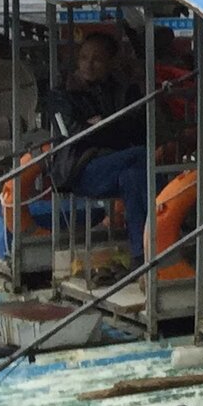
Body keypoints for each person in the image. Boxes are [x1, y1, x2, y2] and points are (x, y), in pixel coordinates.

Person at [53, 31, 151, 259]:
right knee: (141, 156)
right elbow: (72, 134)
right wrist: (102, 128)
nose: (89, 64)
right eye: (84, 57)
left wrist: (99, 126)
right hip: (80, 168)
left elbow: (134, 129)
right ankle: (164, 232)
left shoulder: (119, 90)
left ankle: (141, 255)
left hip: (116, 165)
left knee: (133, 177)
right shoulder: (62, 94)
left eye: (97, 59)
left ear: (110, 63)